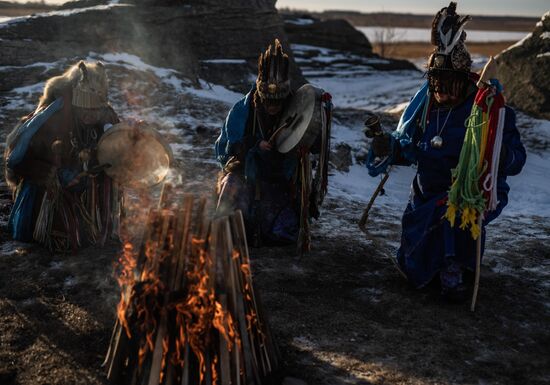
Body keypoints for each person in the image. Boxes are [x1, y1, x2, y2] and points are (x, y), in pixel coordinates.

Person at [366, 2, 526, 301]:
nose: (439, 90)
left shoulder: (487, 110)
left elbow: (517, 160)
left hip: (469, 192)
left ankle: (455, 268)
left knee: (452, 213)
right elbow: (410, 151)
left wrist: (497, 154)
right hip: (424, 194)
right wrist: (384, 145)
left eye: (446, 83)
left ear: (463, 79)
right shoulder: (426, 108)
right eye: (435, 82)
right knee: (416, 258)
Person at [215, 39, 331, 250]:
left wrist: (305, 143)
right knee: (232, 214)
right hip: (246, 176)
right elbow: (226, 150)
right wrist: (254, 145)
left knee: (282, 232)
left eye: (277, 102)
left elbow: (315, 144)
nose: (273, 107)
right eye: (268, 101)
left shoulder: (296, 107)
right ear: (260, 95)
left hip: (280, 180)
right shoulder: (243, 110)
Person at [4, 60, 121, 252]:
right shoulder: (53, 118)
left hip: (85, 183)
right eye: (85, 109)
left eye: (96, 110)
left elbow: (117, 144)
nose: (90, 115)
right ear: (76, 102)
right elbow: (16, 160)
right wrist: (48, 174)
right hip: (49, 190)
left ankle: (97, 227)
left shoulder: (105, 114)